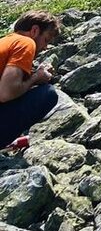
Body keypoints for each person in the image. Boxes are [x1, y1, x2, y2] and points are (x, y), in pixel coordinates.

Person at [0, 11, 61, 148]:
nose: (45, 47)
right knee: (48, 93)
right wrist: (36, 78)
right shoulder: (26, 42)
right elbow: (6, 93)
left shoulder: (6, 41)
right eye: (46, 40)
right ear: (34, 30)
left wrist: (32, 75)